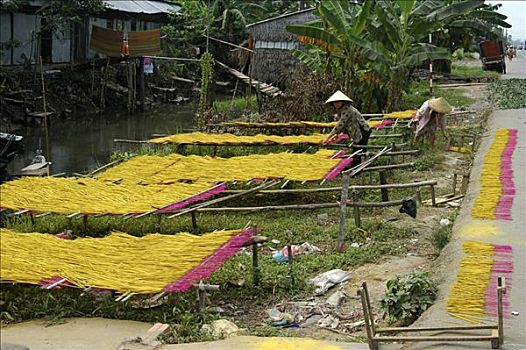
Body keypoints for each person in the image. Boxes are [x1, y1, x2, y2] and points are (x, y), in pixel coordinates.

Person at [323, 90, 371, 167]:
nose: (336, 104)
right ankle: (359, 168)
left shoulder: (347, 109)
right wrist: (337, 135)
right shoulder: (342, 110)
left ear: (342, 102)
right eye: (335, 102)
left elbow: (340, 124)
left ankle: (356, 170)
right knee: (359, 150)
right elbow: (344, 126)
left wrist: (328, 137)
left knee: (358, 150)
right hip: (357, 131)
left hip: (362, 130)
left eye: (338, 102)